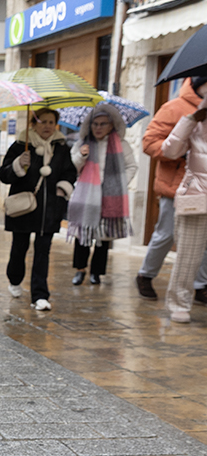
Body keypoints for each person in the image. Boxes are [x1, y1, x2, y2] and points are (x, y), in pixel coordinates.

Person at [0, 108, 77, 311]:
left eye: (52, 122)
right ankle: (14, 280)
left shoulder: (61, 147)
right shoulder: (20, 145)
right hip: (23, 208)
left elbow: (70, 172)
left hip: (49, 210)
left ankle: (40, 295)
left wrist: (62, 189)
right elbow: (3, 174)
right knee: (19, 248)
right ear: (34, 124)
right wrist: (18, 164)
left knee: (43, 252)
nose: (47, 126)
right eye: (43, 121)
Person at [136, 76, 207, 302]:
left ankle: (200, 285)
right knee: (166, 234)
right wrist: (180, 153)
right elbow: (149, 142)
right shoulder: (174, 107)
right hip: (176, 185)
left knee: (204, 241)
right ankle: (146, 275)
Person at [67, 104, 137, 286]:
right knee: (83, 235)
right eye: (95, 124)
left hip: (109, 196)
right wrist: (81, 156)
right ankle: (80, 270)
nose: (98, 128)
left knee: (103, 237)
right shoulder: (81, 143)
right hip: (86, 196)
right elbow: (71, 168)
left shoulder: (121, 145)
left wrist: (119, 184)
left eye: (103, 124)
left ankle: (96, 273)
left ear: (112, 125)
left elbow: (132, 166)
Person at [161, 93, 207, 322]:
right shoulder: (195, 123)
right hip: (197, 194)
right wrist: (189, 120)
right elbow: (169, 151)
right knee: (188, 254)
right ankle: (179, 303)